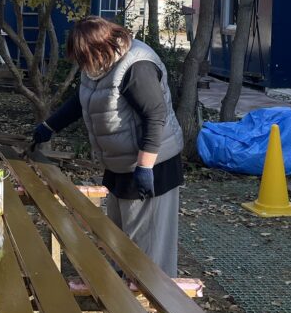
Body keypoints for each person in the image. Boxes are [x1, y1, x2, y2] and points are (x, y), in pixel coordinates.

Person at [30, 16, 183, 276]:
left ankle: (146, 296)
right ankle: (121, 289)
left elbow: (155, 115)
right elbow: (82, 100)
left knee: (146, 250)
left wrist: (145, 167)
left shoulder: (137, 66)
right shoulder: (98, 65)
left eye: (84, 57)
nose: (82, 65)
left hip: (152, 168)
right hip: (120, 166)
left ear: (101, 47)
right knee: (118, 239)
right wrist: (49, 126)